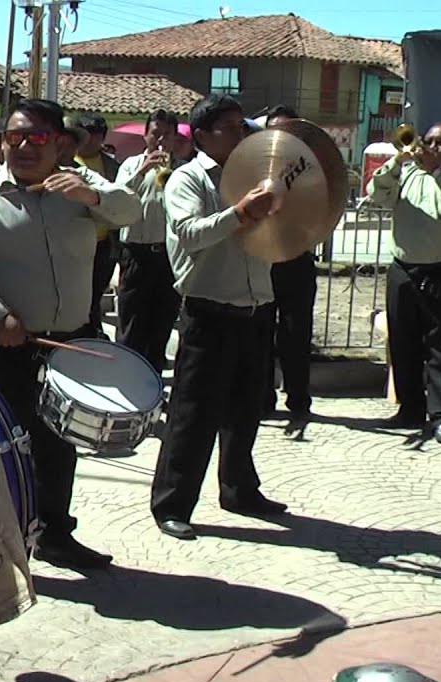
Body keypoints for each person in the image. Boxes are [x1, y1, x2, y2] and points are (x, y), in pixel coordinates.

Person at [0, 98, 140, 569]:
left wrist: (90, 197)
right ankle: (1, 541)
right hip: (8, 344)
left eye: (38, 138)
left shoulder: (82, 187)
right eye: (15, 137)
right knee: (5, 444)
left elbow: (131, 210)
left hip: (70, 341)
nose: (24, 146)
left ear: (60, 144)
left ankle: (54, 534)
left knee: (59, 444)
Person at [150, 94, 289, 541]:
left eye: (242, 126)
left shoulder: (256, 177)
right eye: (230, 128)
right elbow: (190, 235)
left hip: (255, 308)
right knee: (193, 415)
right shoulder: (187, 180)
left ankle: (239, 490)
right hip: (208, 312)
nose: (241, 135)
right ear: (203, 136)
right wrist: (241, 212)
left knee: (246, 411)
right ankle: (172, 504)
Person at [367, 122, 441, 446]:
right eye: (428, 141)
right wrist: (397, 161)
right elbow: (376, 193)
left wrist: (436, 171)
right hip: (404, 271)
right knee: (403, 344)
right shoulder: (407, 175)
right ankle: (410, 409)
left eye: (440, 142)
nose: (430, 147)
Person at [113, 109, 185, 372]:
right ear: (146, 135)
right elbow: (117, 199)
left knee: (161, 325)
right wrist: (144, 171)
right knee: (131, 324)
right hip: (136, 254)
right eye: (156, 133)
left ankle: (152, 387)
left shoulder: (183, 170)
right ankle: (126, 384)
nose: (161, 140)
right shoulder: (130, 165)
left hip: (167, 256)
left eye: (167, 134)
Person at [260, 105, 317, 422]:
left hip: (297, 257)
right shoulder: (254, 164)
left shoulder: (309, 167)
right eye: (273, 130)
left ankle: (298, 398)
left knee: (296, 334)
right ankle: (262, 397)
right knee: (261, 333)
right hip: (263, 256)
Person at [73, 113, 123, 338]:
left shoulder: (113, 166)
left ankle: (93, 332)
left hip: (103, 244)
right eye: (87, 135)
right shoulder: (67, 162)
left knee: (95, 293)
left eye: (96, 136)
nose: (90, 141)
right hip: (74, 244)